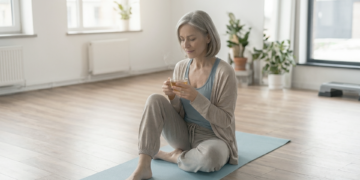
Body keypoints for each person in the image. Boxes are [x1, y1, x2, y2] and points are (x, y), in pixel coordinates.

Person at [126, 10, 238, 180]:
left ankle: (171, 156)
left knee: (210, 158)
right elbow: (179, 113)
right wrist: (172, 97)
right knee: (154, 100)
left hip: (214, 138)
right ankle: (143, 166)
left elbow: (225, 120)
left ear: (208, 37)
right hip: (183, 135)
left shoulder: (225, 72)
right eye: (182, 39)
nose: (186, 45)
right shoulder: (181, 67)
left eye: (192, 39)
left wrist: (195, 97)